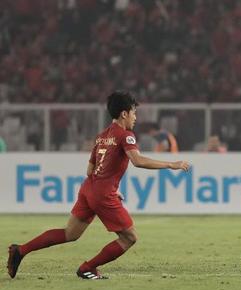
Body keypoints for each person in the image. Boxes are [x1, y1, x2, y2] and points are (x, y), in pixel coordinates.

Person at [7, 91, 191, 280]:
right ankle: (87, 267)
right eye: (134, 113)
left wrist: (108, 186)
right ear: (124, 114)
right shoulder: (126, 135)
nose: (135, 118)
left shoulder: (102, 136)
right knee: (130, 238)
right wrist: (170, 164)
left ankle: (21, 250)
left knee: (70, 233)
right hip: (101, 193)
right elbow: (137, 160)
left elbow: (90, 169)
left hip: (89, 188)